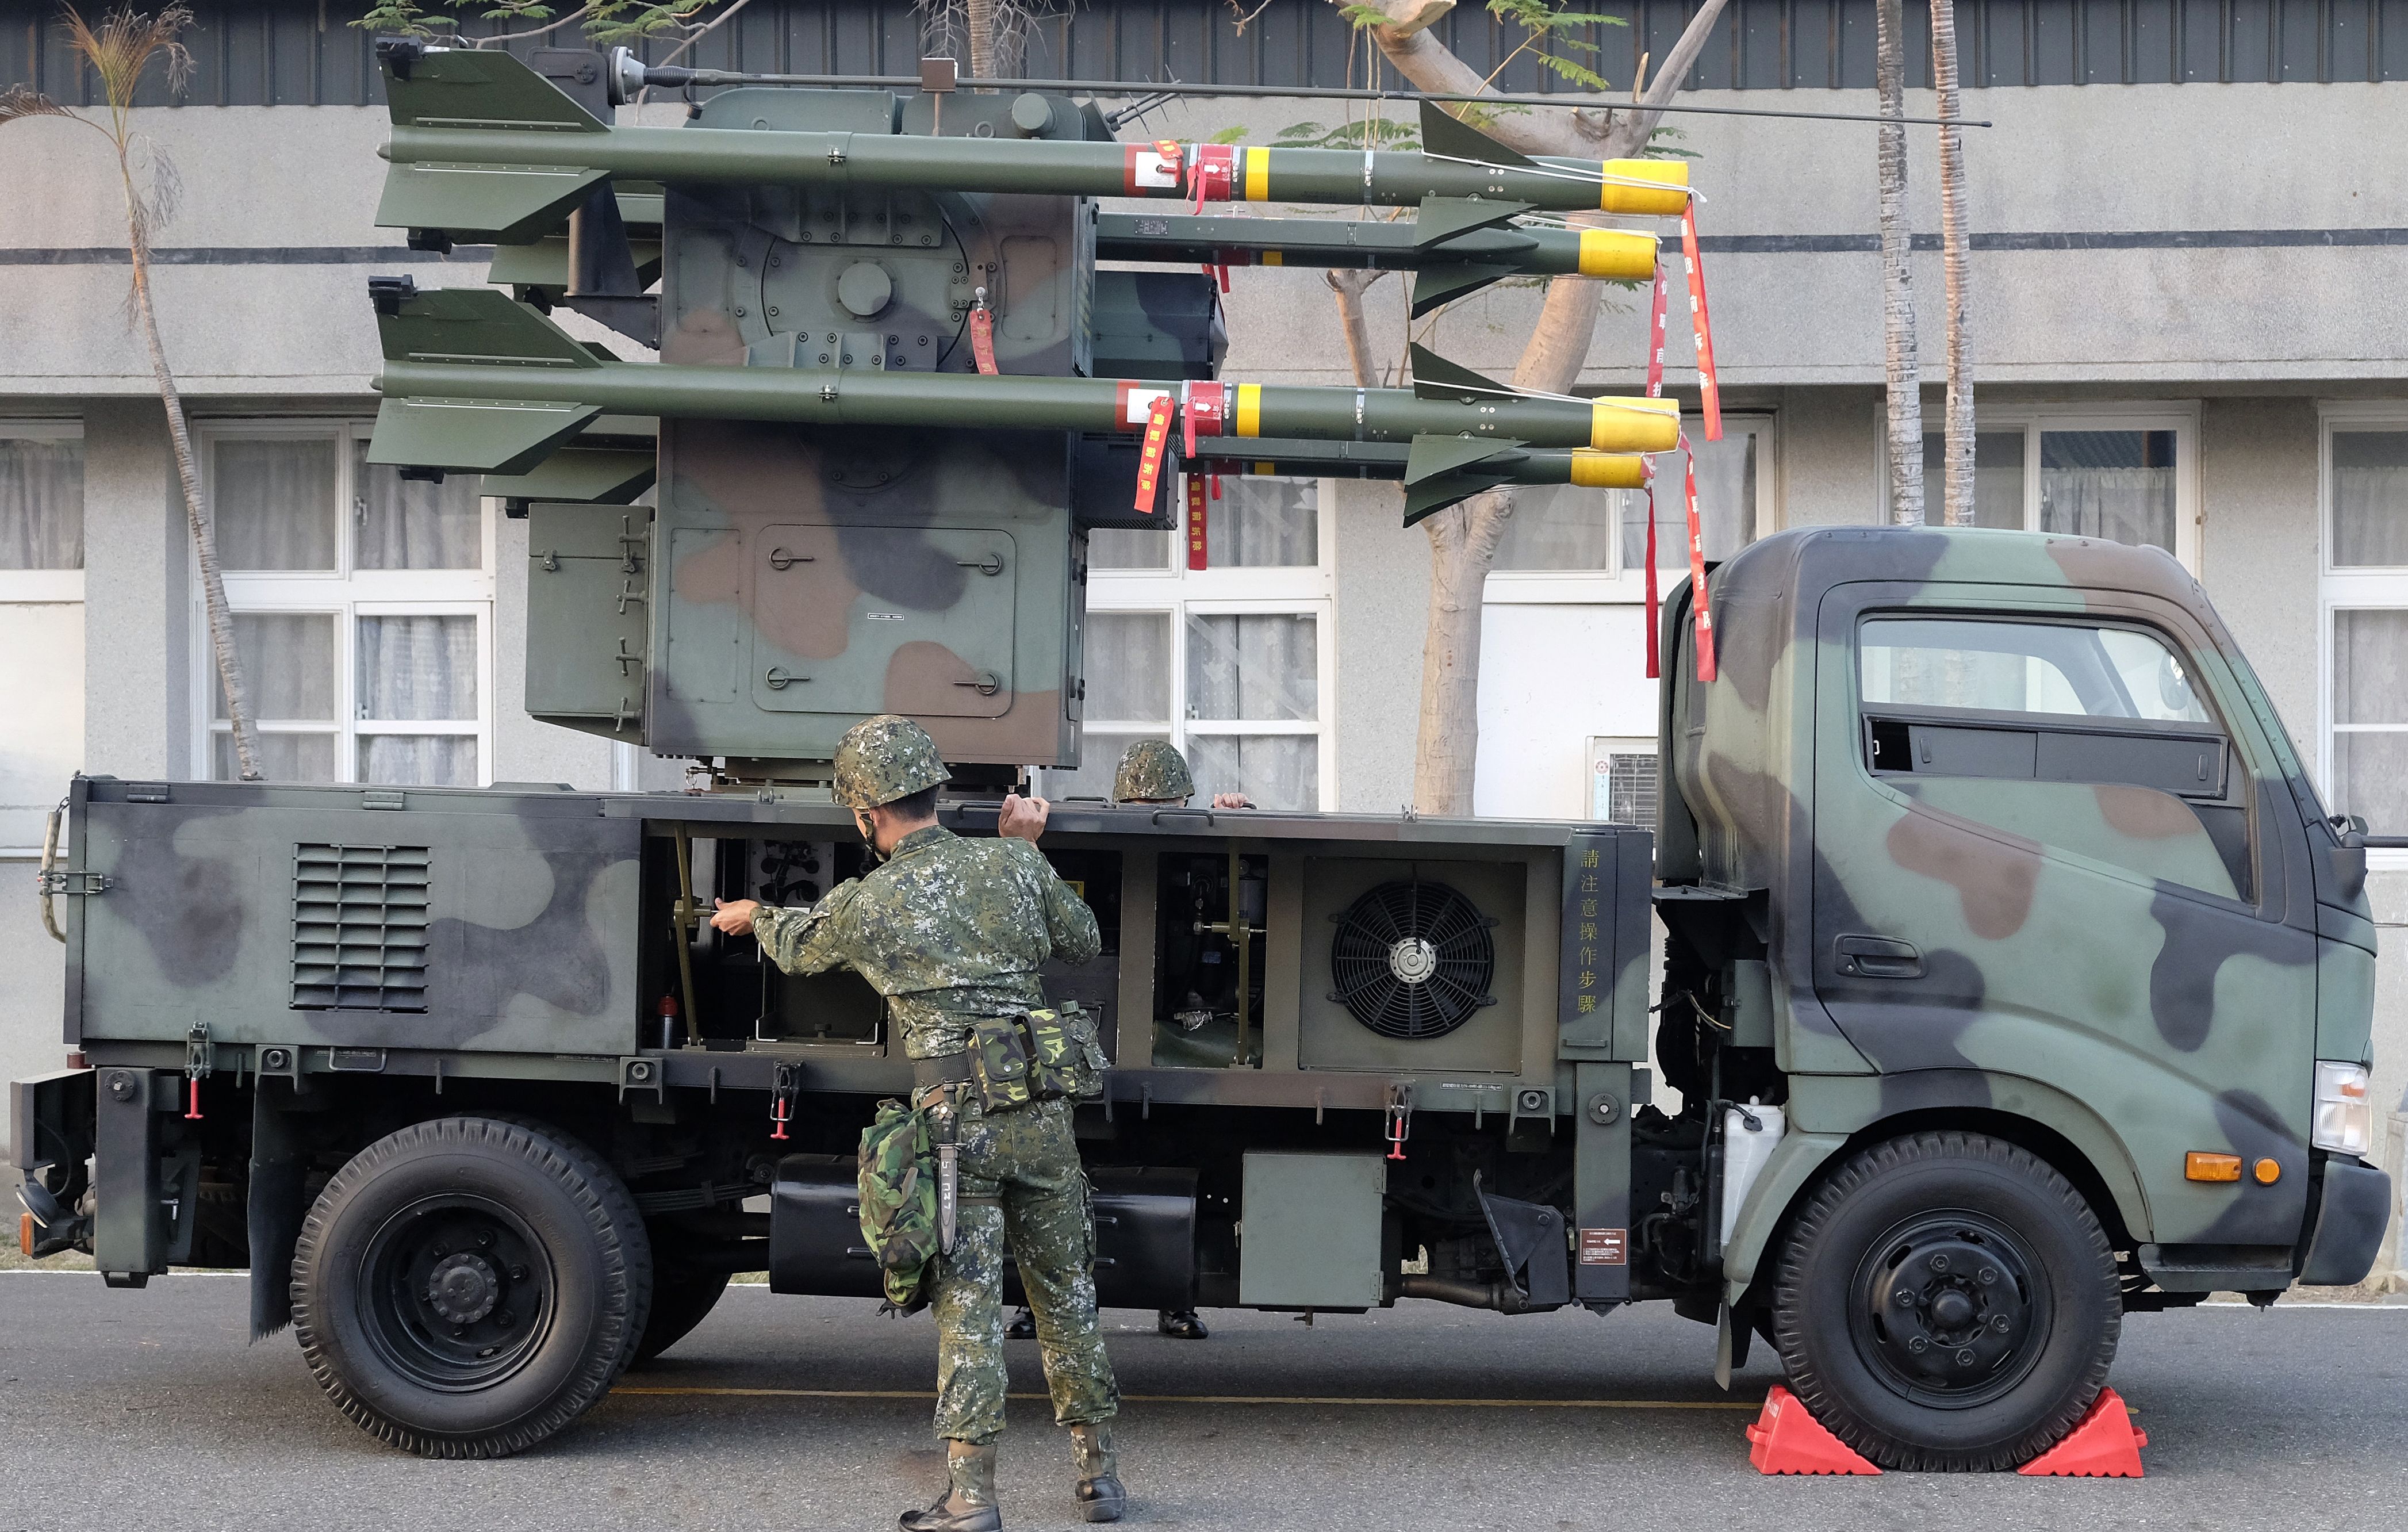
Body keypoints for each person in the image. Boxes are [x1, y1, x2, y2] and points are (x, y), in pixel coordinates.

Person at [710, 715, 1125, 1531]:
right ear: (936, 792)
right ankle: (1099, 1479)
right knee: (1067, 1294)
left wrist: (752, 915)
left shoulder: (872, 901)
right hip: (1042, 1115)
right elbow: (1083, 940)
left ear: (868, 815)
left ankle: (972, 1498)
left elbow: (797, 948)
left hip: (955, 1126)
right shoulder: (1013, 865)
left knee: (967, 1304)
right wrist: (1027, 850)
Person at [1008, 738, 1235, 1348]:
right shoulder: (1091, 849)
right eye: (1142, 803)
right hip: (1084, 1038)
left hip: (1172, 1044)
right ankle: (1038, 1305)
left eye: (1166, 804)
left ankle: (1175, 1301)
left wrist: (1240, 811)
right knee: (1054, 1185)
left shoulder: (1202, 850)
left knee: (1182, 1173)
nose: (1154, 813)